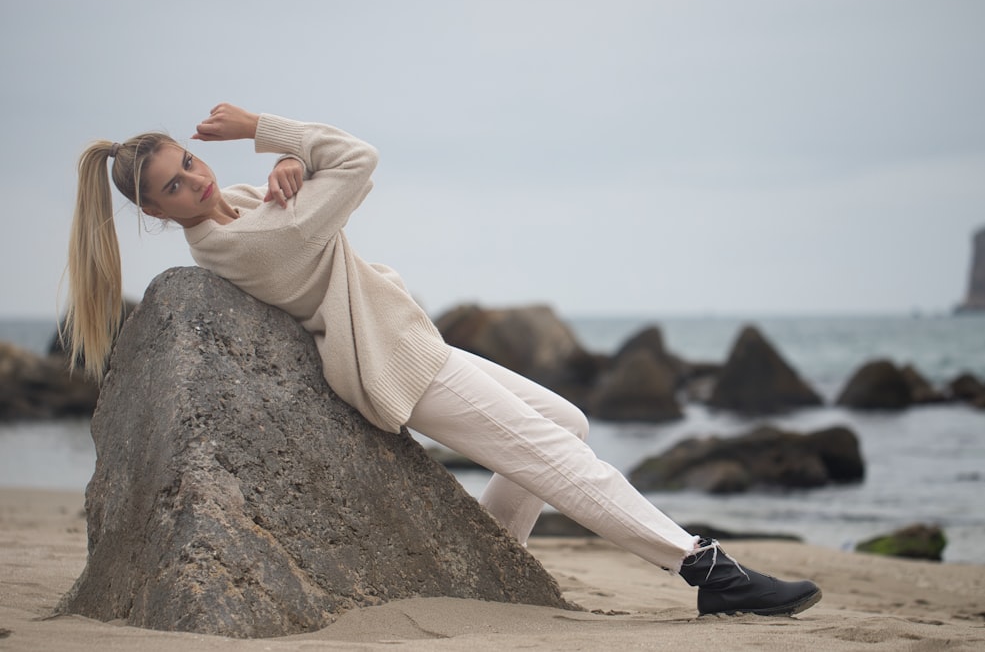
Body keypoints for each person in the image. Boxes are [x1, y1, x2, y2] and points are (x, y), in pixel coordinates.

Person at [65, 103, 822, 618]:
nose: (195, 178)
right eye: (174, 185)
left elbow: (296, 198)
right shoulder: (242, 242)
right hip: (402, 366)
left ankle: (496, 568)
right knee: (561, 459)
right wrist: (268, 129)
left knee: (569, 420)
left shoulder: (234, 207)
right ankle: (704, 568)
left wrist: (284, 177)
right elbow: (358, 161)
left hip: (417, 340)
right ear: (154, 212)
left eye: (190, 161)